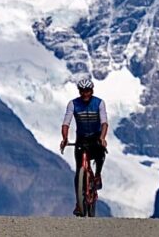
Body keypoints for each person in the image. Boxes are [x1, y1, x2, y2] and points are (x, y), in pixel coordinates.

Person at [60, 77, 108, 216]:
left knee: (100, 154)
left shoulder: (99, 103)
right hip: (81, 139)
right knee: (79, 170)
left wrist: (102, 138)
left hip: (96, 137)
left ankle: (97, 175)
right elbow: (66, 123)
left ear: (92, 90)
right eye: (82, 91)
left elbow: (104, 122)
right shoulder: (73, 104)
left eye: (87, 91)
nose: (85, 94)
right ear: (79, 91)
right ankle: (79, 203)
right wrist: (65, 138)